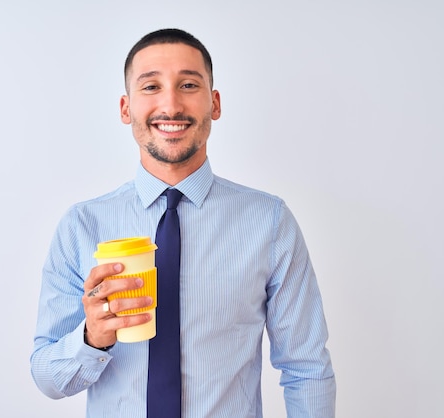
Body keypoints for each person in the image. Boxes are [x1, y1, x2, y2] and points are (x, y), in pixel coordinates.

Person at [31, 28, 336, 417]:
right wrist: (91, 338)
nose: (171, 105)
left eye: (188, 84)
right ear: (126, 109)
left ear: (214, 103)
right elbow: (46, 376)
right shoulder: (81, 225)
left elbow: (306, 367)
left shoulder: (269, 222)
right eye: (151, 86)